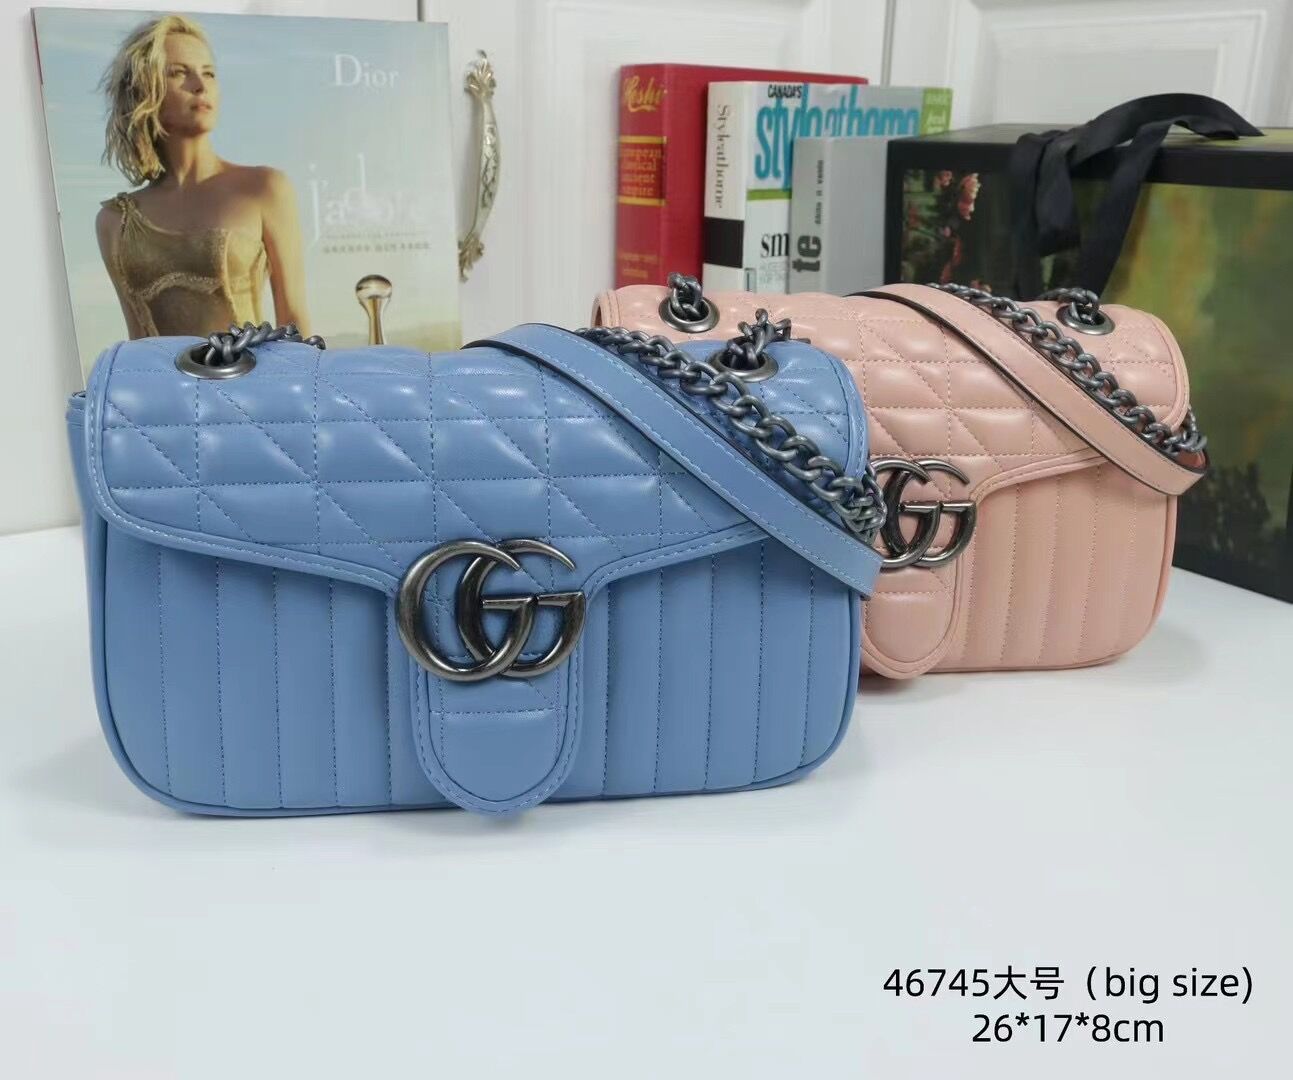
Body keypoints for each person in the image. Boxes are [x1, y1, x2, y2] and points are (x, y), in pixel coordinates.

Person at [95, 14, 310, 339]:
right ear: (144, 89)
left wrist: (308, 372)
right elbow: (138, 343)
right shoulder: (115, 221)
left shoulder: (264, 189)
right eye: (179, 73)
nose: (200, 85)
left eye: (209, 73)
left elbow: (294, 319)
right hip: (160, 376)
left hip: (256, 373)